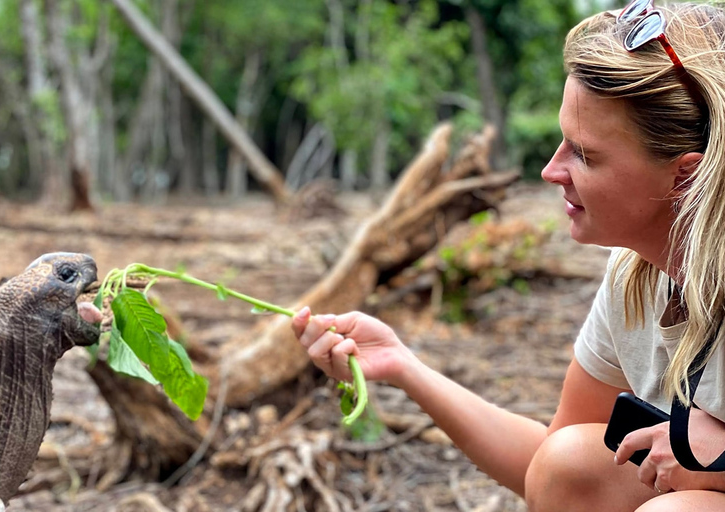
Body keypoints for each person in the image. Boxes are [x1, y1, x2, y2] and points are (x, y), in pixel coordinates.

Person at [292, 1, 725, 511]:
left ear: (685, 175)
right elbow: (547, 473)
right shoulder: (635, 277)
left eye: (584, 154)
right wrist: (403, 366)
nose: (551, 170)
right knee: (570, 467)